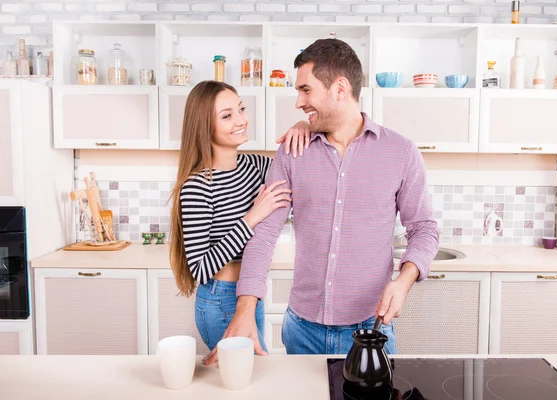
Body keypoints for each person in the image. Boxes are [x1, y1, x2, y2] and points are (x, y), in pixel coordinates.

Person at [203, 38, 440, 364]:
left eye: (306, 90)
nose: (299, 102)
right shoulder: (293, 151)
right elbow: (265, 234)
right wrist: (245, 309)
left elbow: (424, 228)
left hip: (369, 332)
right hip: (302, 330)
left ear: (340, 88)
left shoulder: (400, 152)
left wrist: (404, 280)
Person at [169, 80, 310, 354]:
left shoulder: (255, 165)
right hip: (219, 300)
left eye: (241, 109)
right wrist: (252, 217)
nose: (241, 120)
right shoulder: (197, 186)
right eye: (227, 115)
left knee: (248, 376)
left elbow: (296, 165)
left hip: (250, 294)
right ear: (203, 126)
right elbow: (201, 268)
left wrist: (303, 126)